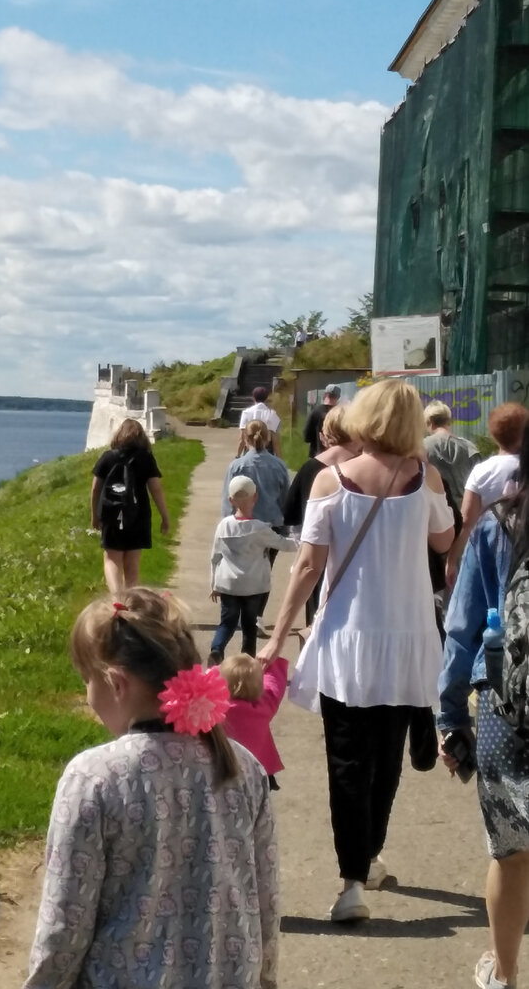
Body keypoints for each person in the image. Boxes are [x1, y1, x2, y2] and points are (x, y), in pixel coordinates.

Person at [258, 379, 454, 924]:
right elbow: (444, 540)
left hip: (347, 637)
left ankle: (351, 882)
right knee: (386, 758)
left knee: (346, 760)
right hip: (407, 636)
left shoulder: (330, 480)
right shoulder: (425, 478)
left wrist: (277, 635)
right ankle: (368, 856)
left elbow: (307, 566)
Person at [23, 588, 279, 989]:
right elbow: (264, 901)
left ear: (116, 682)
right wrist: (265, 979)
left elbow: (63, 930)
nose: (89, 698)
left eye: (87, 680)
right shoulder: (244, 769)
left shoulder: (93, 779)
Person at [437, 425, 529, 989]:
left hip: (505, 705)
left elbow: (462, 627)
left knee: (511, 853)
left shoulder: (498, 522)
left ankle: (506, 974)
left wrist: (450, 718)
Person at [283, 405, 360, 627]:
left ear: (325, 434)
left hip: (318, 560)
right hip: (358, 562)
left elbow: (293, 518)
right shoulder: (369, 468)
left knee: (316, 626)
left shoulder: (309, 469)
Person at [209, 475, 297, 662]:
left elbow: (215, 557)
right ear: (255, 498)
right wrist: (304, 541)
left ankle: (216, 651)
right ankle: (246, 665)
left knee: (226, 623)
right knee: (249, 627)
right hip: (254, 585)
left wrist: (214, 584)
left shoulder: (223, 526)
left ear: (230, 500)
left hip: (228, 584)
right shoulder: (259, 529)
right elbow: (283, 544)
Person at [445, 402, 529, 590]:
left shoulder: (482, 471)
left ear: (493, 435)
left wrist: (452, 560)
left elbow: (466, 521)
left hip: (488, 550)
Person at [91, 419, 169, 597]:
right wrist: (165, 516)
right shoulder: (146, 459)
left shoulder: (107, 457)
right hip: (138, 515)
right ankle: (131, 603)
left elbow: (95, 488)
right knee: (132, 564)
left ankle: (117, 599)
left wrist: (95, 515)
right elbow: (155, 488)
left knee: (112, 558)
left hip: (111, 514)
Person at [220, 652, 289, 792]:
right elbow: (274, 684)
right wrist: (272, 663)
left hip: (225, 770)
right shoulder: (264, 707)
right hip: (258, 770)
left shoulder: (215, 709)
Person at [423, 399, 480, 506]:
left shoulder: (421, 448)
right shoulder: (470, 448)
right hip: (464, 512)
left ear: (430, 422)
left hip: (433, 514)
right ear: (449, 421)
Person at [237, 386, 283, 458]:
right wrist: (280, 460)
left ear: (253, 398)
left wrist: (238, 456)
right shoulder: (272, 414)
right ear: (267, 398)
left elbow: (242, 440)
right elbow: (275, 442)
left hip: (249, 451)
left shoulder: (246, 413)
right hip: (267, 452)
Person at [302, 385, 341, 458]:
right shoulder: (341, 414)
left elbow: (306, 437)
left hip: (317, 456)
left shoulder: (315, 412)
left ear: (325, 395)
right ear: (338, 397)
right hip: (336, 457)